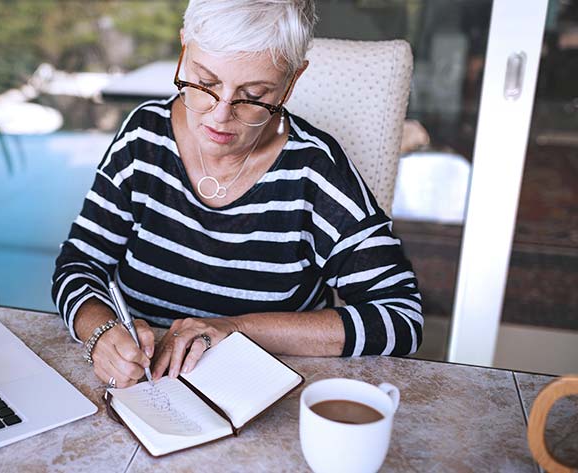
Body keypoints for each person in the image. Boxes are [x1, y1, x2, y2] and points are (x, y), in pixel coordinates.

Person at [52, 0, 422, 390]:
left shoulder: (315, 171)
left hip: (262, 396)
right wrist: (101, 331)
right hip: (141, 389)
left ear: (291, 82)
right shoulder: (143, 138)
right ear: (184, 50)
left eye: (252, 95)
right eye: (205, 83)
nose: (220, 115)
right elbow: (78, 265)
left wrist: (236, 329)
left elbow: (401, 317)